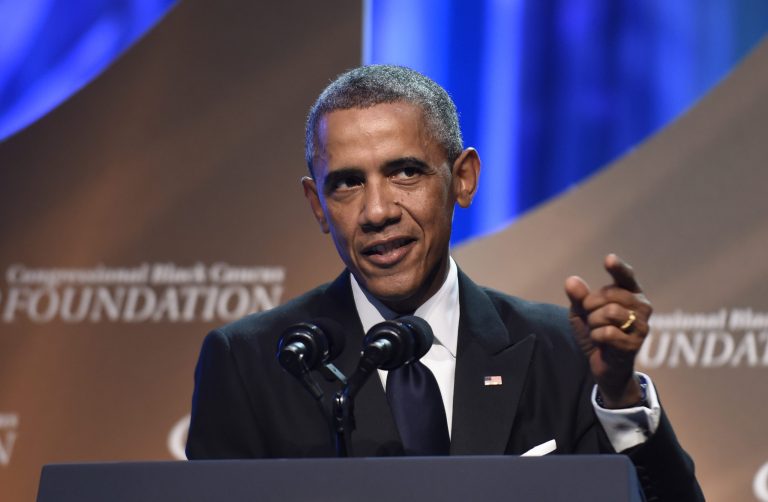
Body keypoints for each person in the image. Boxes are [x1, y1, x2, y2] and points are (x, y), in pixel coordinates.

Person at [186, 65, 704, 500]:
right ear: (317, 205)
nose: (377, 211)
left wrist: (617, 395)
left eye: (405, 173)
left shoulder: (560, 350)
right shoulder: (250, 362)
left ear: (463, 178)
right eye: (346, 183)